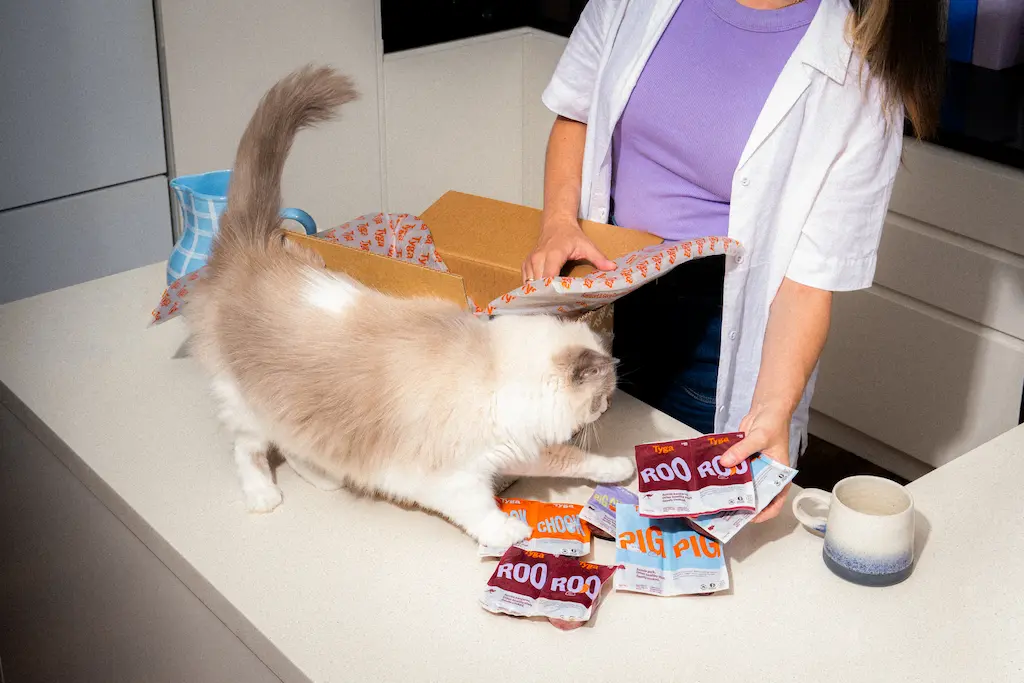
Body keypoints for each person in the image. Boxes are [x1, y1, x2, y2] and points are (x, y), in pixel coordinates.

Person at [522, 0, 943, 521]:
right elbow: (576, 112)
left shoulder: (859, 76)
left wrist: (771, 410)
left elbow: (807, 280)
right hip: (596, 294)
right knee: (560, 499)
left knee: (676, 531)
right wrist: (559, 222)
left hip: (713, 337)